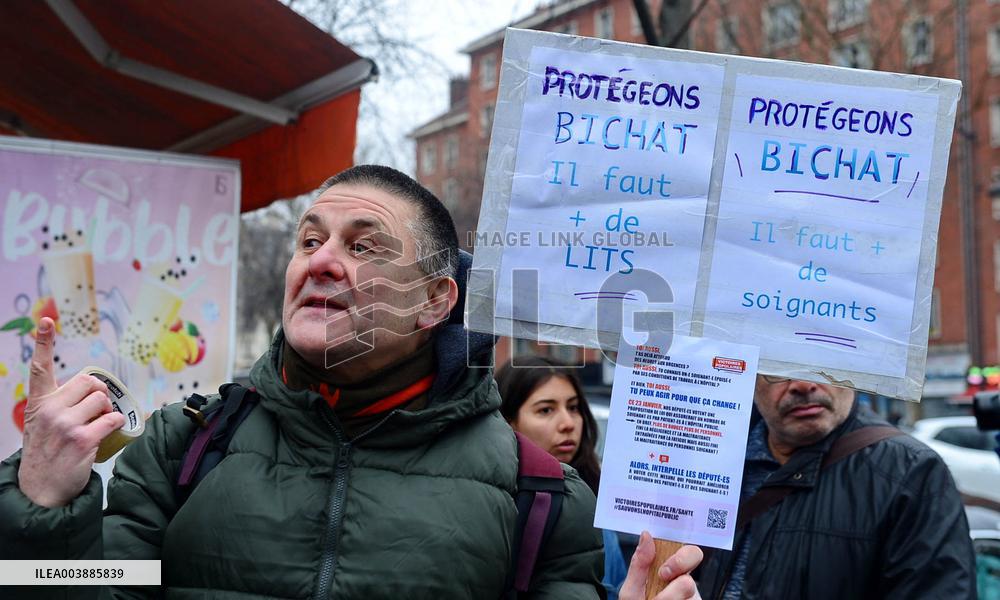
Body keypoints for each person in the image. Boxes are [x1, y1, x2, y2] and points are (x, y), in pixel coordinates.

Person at [0, 165, 701, 599]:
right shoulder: (186, 445)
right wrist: (35, 508)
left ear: (435, 301)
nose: (322, 262)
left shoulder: (539, 495)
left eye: (363, 245)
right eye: (310, 240)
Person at [696, 375, 977, 599]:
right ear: (751, 376)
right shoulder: (703, 458)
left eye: (821, 363)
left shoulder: (912, 473)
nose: (803, 384)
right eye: (778, 369)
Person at [495, 355, 627, 599]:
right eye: (546, 410)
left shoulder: (596, 504)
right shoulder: (495, 504)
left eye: (574, 407)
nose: (568, 423)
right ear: (508, 422)